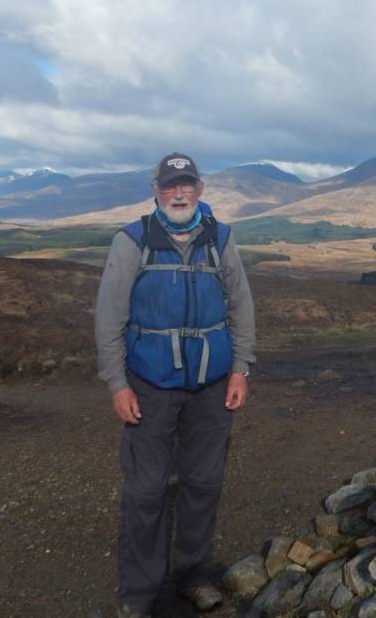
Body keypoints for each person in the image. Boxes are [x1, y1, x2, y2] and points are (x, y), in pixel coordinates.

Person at [95, 151, 256, 618]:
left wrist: (241, 368)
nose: (179, 193)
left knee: (203, 482)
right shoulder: (132, 241)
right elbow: (110, 316)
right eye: (170, 186)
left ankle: (192, 575)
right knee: (145, 490)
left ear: (200, 189)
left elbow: (241, 306)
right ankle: (139, 595)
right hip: (149, 384)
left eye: (186, 184)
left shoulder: (220, 238)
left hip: (211, 385)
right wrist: (117, 384)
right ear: (156, 191)